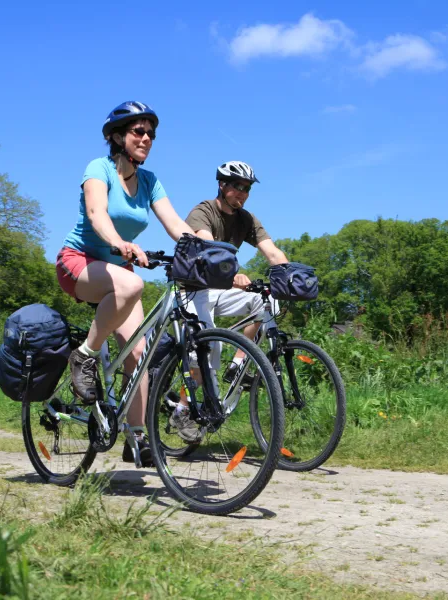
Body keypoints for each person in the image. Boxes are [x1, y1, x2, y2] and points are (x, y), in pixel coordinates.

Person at [55, 101, 196, 466]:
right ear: (117, 137)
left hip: (120, 274)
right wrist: (119, 243)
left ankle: (137, 439)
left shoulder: (149, 181)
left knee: (139, 354)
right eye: (138, 131)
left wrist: (205, 249)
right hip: (80, 263)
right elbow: (96, 212)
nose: (147, 138)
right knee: (132, 286)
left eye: (151, 133)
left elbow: (174, 223)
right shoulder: (97, 168)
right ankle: (84, 356)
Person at [171, 160, 288, 443]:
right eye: (238, 187)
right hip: (193, 290)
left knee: (268, 304)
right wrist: (234, 273)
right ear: (222, 185)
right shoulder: (203, 211)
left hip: (221, 291)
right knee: (210, 345)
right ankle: (182, 411)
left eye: (247, 189)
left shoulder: (246, 219)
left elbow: (272, 252)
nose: (243, 193)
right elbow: (210, 247)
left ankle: (239, 363)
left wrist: (291, 276)